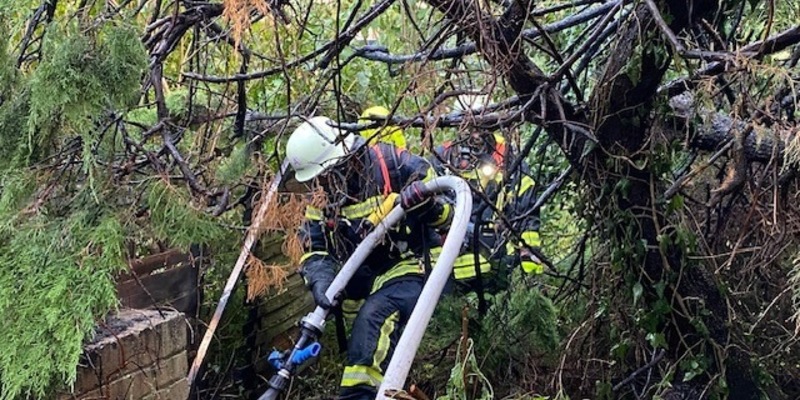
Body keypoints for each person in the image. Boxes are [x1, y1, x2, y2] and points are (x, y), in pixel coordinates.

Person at [285, 116, 450, 400]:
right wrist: (321, 277)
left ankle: (358, 396)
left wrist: (424, 204)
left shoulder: (395, 164)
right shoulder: (322, 196)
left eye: (327, 174)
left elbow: (451, 209)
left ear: (347, 157)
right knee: (367, 340)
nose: (323, 183)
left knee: (374, 318)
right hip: (367, 276)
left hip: (412, 262)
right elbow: (314, 245)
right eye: (318, 178)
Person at [431, 128, 544, 295]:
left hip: (493, 265)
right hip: (446, 268)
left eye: (481, 129)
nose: (474, 137)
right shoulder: (442, 156)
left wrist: (530, 270)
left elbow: (526, 214)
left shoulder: (508, 160)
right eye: (469, 129)